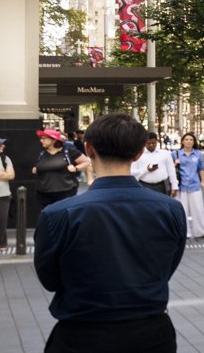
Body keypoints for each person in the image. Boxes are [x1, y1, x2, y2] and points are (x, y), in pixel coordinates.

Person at [35, 114, 187, 353]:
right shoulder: (170, 209)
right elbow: (167, 267)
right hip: (152, 334)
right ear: (138, 153)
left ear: (88, 148)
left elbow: (50, 279)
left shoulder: (58, 215)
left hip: (80, 335)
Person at [32, 129, 84, 220]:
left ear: (54, 140)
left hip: (65, 192)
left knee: (63, 217)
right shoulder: (42, 152)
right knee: (48, 218)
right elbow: (37, 166)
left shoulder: (68, 150)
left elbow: (86, 162)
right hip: (44, 193)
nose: (41, 140)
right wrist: (36, 169)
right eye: (41, 138)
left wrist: (76, 168)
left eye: (44, 138)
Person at [171, 133, 204, 240]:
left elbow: (201, 168)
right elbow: (169, 168)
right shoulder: (175, 154)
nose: (188, 141)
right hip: (181, 185)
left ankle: (201, 231)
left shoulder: (198, 154)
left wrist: (203, 181)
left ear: (194, 142)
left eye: (191, 139)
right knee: (182, 210)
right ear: (182, 141)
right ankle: (184, 232)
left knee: (198, 209)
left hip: (195, 184)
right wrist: (175, 163)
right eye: (186, 139)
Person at [131, 132, 177, 196]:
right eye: (149, 143)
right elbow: (132, 172)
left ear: (157, 141)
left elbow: (171, 171)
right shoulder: (138, 154)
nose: (151, 145)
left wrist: (174, 187)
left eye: (153, 143)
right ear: (144, 142)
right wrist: (146, 170)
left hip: (162, 186)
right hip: (144, 185)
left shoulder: (165, 154)